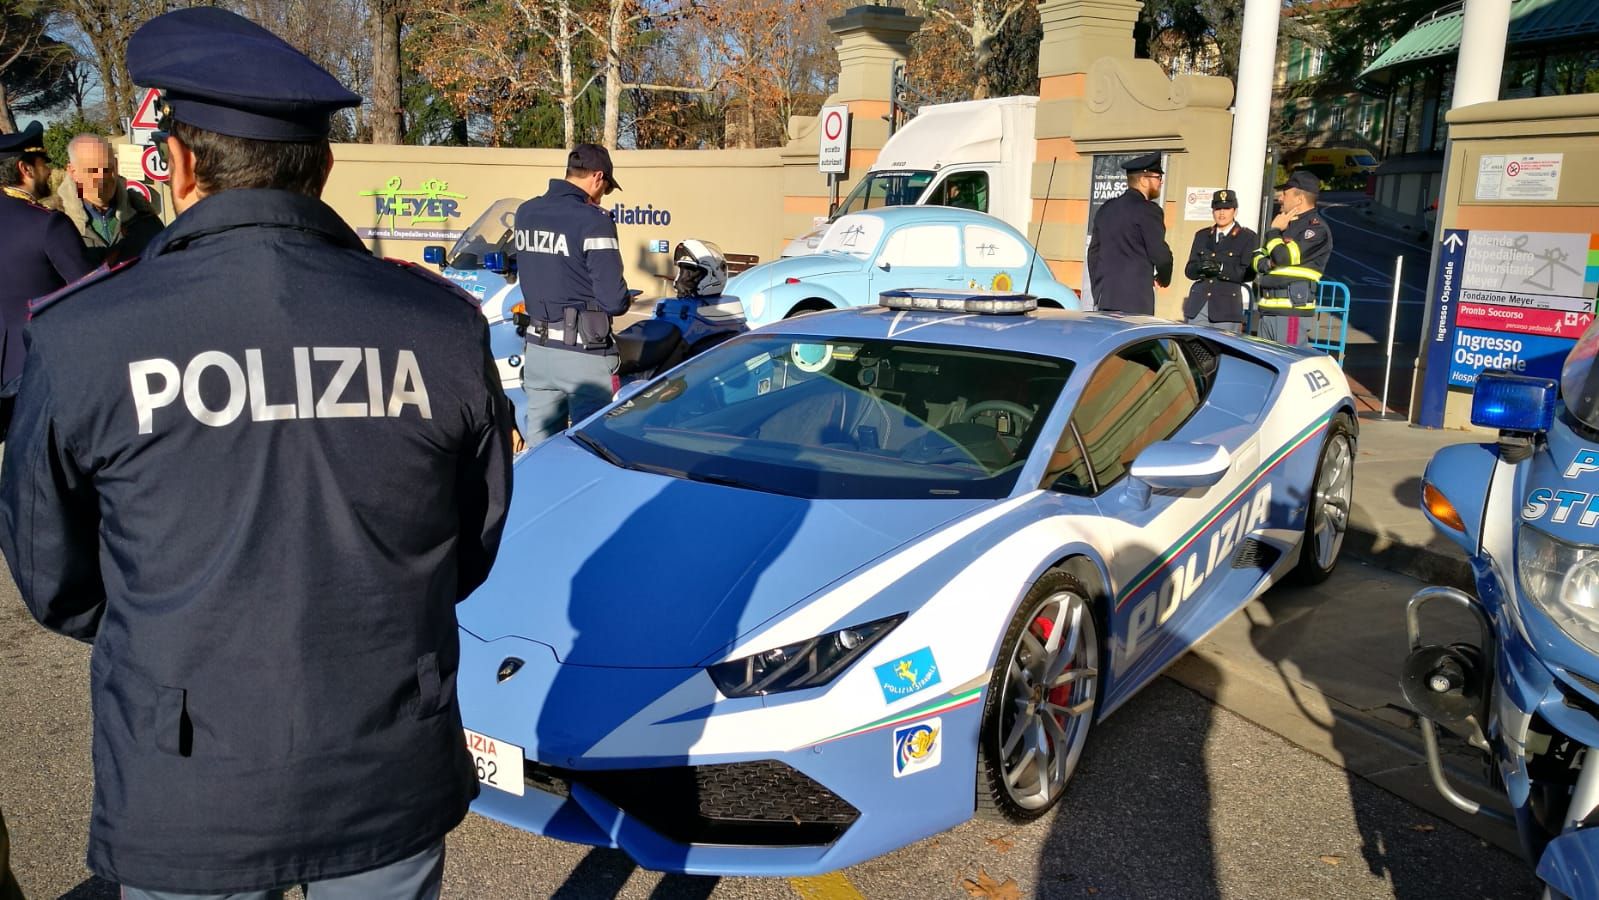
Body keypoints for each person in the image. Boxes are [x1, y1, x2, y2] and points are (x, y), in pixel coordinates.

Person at [0, 8, 512, 900]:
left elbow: (53, 575)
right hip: (386, 766)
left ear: (182, 162)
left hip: (187, 776)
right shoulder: (437, 325)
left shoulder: (89, 334)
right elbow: (470, 544)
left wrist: (170, 623)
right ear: (319, 164)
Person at [514, 142, 632, 443]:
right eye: (605, 188)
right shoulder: (594, 222)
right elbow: (614, 301)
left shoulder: (526, 213)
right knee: (590, 450)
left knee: (540, 452)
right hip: (583, 357)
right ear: (597, 177)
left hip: (538, 351)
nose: (601, 195)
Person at [0, 122, 96, 405]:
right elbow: (89, 293)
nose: (49, 172)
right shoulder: (48, 224)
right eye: (43, 164)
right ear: (25, 169)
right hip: (39, 367)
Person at [1252, 169, 1333, 347]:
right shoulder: (1285, 225)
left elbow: (1282, 257)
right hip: (1268, 309)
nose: (1280, 198)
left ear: (1299, 199)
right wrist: (1270, 258)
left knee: (1288, 365)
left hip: (1291, 312)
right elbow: (1257, 258)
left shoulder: (1315, 229)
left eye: (1285, 194)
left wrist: (1273, 232)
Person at [1085, 153, 1173, 315]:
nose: (1161, 182)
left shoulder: (1106, 209)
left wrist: (1098, 291)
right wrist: (1164, 278)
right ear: (1143, 180)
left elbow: (1093, 254)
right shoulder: (1149, 211)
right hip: (1135, 301)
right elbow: (1160, 254)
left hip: (1106, 298)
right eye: (1158, 177)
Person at [56, 133, 164, 263]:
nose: (102, 178)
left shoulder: (143, 216)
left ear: (117, 166)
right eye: (93, 170)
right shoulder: (56, 223)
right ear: (73, 172)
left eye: (107, 169)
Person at [1181, 188, 1257, 334]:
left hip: (1226, 308)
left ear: (1235, 211)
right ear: (1212, 211)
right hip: (1199, 305)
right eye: (1217, 208)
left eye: (1226, 208)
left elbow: (1247, 273)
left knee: (1223, 351)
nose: (1221, 213)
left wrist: (1221, 268)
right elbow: (1189, 270)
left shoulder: (1247, 237)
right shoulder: (1202, 235)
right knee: (1196, 351)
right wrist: (1200, 268)